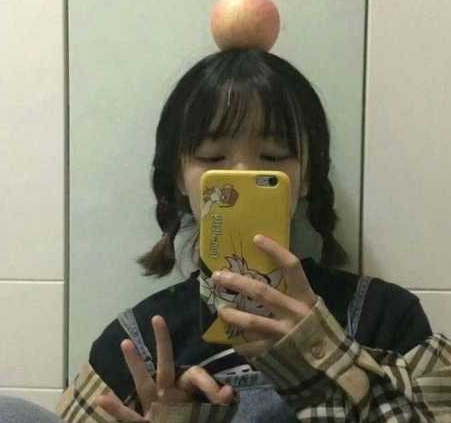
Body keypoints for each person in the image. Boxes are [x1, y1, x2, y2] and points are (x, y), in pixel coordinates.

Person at [53, 49, 451, 423]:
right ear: (179, 177)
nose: (241, 175)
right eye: (213, 158)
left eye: (273, 157)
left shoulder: (386, 316)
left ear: (307, 175)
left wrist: (321, 358)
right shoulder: (136, 342)